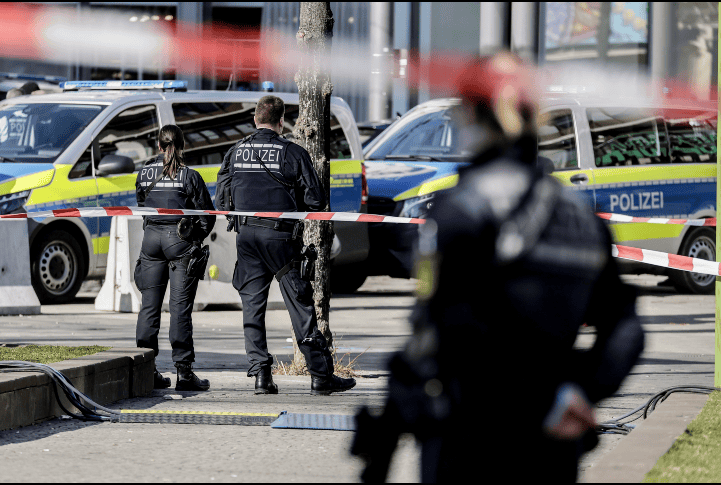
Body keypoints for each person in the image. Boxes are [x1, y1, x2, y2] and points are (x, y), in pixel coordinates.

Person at [351, 53, 645, 482]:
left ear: (471, 114)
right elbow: (626, 329)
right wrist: (577, 389)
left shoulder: (463, 209)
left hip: (468, 437)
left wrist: (387, 436)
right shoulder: (581, 218)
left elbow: (436, 330)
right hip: (551, 445)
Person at [215, 95, 356, 396]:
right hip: (281, 241)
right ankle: (320, 376)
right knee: (301, 308)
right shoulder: (292, 153)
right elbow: (316, 201)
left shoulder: (235, 152)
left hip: (247, 239)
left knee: (252, 308)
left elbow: (222, 202)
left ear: (255, 119)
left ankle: (261, 378)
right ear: (281, 122)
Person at [134, 124, 216, 391]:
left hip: (151, 240)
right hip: (179, 240)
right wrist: (195, 237)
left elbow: (141, 204)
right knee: (179, 309)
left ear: (159, 146)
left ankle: (146, 370)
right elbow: (208, 216)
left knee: (149, 307)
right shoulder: (189, 176)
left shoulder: (144, 173)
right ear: (182, 146)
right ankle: (183, 372)